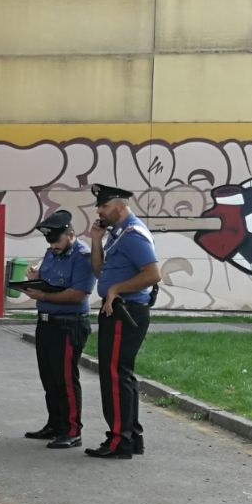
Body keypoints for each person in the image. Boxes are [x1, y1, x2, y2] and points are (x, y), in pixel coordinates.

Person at [86, 183, 162, 460]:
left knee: (115, 376)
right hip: (118, 311)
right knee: (119, 374)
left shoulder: (132, 235)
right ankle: (132, 436)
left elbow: (153, 274)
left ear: (120, 206)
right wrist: (96, 240)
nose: (99, 211)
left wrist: (116, 289)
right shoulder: (117, 234)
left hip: (125, 312)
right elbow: (100, 272)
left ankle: (120, 441)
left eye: (104, 206)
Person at [19, 210, 97, 450]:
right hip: (46, 322)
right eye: (50, 242)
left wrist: (42, 296)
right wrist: (36, 278)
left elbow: (78, 294)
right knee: (50, 378)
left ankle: (72, 430)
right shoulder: (51, 252)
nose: (53, 246)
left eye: (57, 241)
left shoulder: (82, 257)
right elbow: (50, 282)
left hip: (68, 324)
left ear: (71, 235)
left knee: (65, 379)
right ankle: (55, 424)